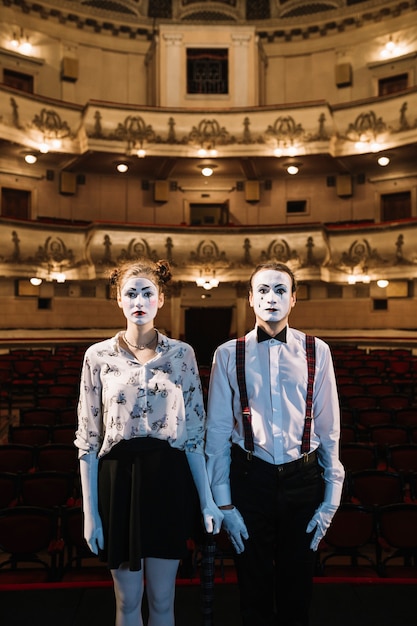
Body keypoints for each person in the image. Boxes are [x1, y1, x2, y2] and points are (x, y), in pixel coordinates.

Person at [74, 257, 223, 626]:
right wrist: (90, 514)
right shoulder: (97, 356)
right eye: (131, 293)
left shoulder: (182, 355)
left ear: (160, 299)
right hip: (117, 478)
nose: (139, 300)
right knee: (126, 602)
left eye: (147, 293)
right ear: (119, 300)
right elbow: (88, 441)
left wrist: (207, 502)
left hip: (167, 478)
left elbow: (194, 438)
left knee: (162, 599)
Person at [205, 261, 345, 626]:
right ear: (250, 299)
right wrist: (224, 503)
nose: (271, 297)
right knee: (252, 590)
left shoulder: (318, 351)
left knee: (297, 590)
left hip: (304, 480)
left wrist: (332, 497)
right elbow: (217, 434)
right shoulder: (226, 353)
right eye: (263, 290)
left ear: (294, 299)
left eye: (280, 290)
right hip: (250, 481)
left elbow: (329, 430)